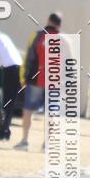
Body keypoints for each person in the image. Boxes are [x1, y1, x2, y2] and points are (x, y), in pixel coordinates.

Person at [15, 12, 63, 150]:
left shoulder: (37, 36)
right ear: (60, 24)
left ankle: (24, 141)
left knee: (28, 109)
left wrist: (23, 76)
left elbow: (28, 57)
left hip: (35, 79)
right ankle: (47, 144)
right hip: (54, 81)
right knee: (52, 112)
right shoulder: (64, 40)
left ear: (48, 20)